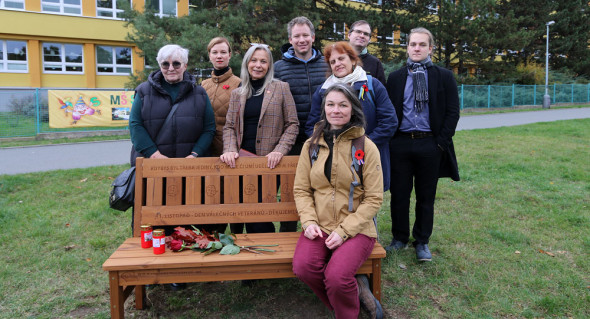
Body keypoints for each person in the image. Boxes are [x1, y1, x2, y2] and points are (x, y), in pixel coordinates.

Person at [293, 84, 384, 319]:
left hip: (357, 228)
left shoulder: (366, 147)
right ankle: (351, 299)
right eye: (331, 104)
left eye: (343, 105)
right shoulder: (311, 146)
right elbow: (302, 190)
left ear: (353, 109)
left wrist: (345, 231)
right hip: (320, 225)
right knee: (304, 267)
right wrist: (309, 221)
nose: (336, 110)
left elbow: (374, 198)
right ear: (324, 108)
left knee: (336, 277)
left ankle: (346, 311)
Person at [129, 43, 215, 290]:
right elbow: (135, 126)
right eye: (165, 64)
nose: (171, 68)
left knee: (183, 218)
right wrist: (154, 155)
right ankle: (151, 271)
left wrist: (195, 154)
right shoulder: (144, 91)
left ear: (185, 66)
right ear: (159, 65)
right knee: (154, 219)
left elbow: (209, 127)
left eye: (176, 63)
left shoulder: (198, 93)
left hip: (187, 169)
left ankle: (180, 270)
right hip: (153, 168)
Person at [385, 27, 460, 262]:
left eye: (421, 44)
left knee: (426, 197)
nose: (416, 48)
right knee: (399, 195)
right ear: (407, 47)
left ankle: (422, 241)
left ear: (431, 49)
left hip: (430, 145)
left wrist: (440, 144)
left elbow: (452, 112)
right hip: (401, 145)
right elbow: (388, 112)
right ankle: (399, 238)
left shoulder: (444, 76)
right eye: (412, 44)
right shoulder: (396, 77)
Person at [220, 43, 299, 234]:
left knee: (260, 219)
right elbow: (229, 125)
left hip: (268, 163)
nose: (258, 65)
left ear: (269, 65)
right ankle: (242, 256)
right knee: (239, 216)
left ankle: (265, 258)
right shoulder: (237, 93)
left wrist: (279, 150)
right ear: (247, 63)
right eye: (254, 60)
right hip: (240, 162)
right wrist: (229, 149)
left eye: (263, 61)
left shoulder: (281, 88)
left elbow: (292, 124)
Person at [304, 41, 397, 192]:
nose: (337, 64)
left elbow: (389, 122)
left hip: (366, 159)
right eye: (332, 61)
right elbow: (311, 126)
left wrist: (364, 146)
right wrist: (329, 146)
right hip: (333, 159)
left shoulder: (372, 85)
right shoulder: (323, 91)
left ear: (353, 59)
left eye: (341, 59)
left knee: (367, 204)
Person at [274, 16, 329, 232]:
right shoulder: (279, 67)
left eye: (305, 35)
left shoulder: (327, 64)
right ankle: (287, 234)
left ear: (313, 37)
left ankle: (322, 233)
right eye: (297, 36)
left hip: (324, 138)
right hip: (292, 140)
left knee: (322, 188)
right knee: (290, 190)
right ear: (290, 39)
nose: (301, 40)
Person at [201, 37, 241, 157]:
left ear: (229, 55)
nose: (219, 56)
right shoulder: (203, 85)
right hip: (205, 149)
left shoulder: (240, 84)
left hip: (230, 150)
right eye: (215, 52)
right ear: (209, 55)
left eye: (223, 52)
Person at [348, 20, 386, 84]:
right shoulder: (337, 58)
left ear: (369, 39)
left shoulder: (375, 63)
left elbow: (381, 91)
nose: (362, 36)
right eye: (358, 32)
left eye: (366, 34)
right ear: (349, 35)